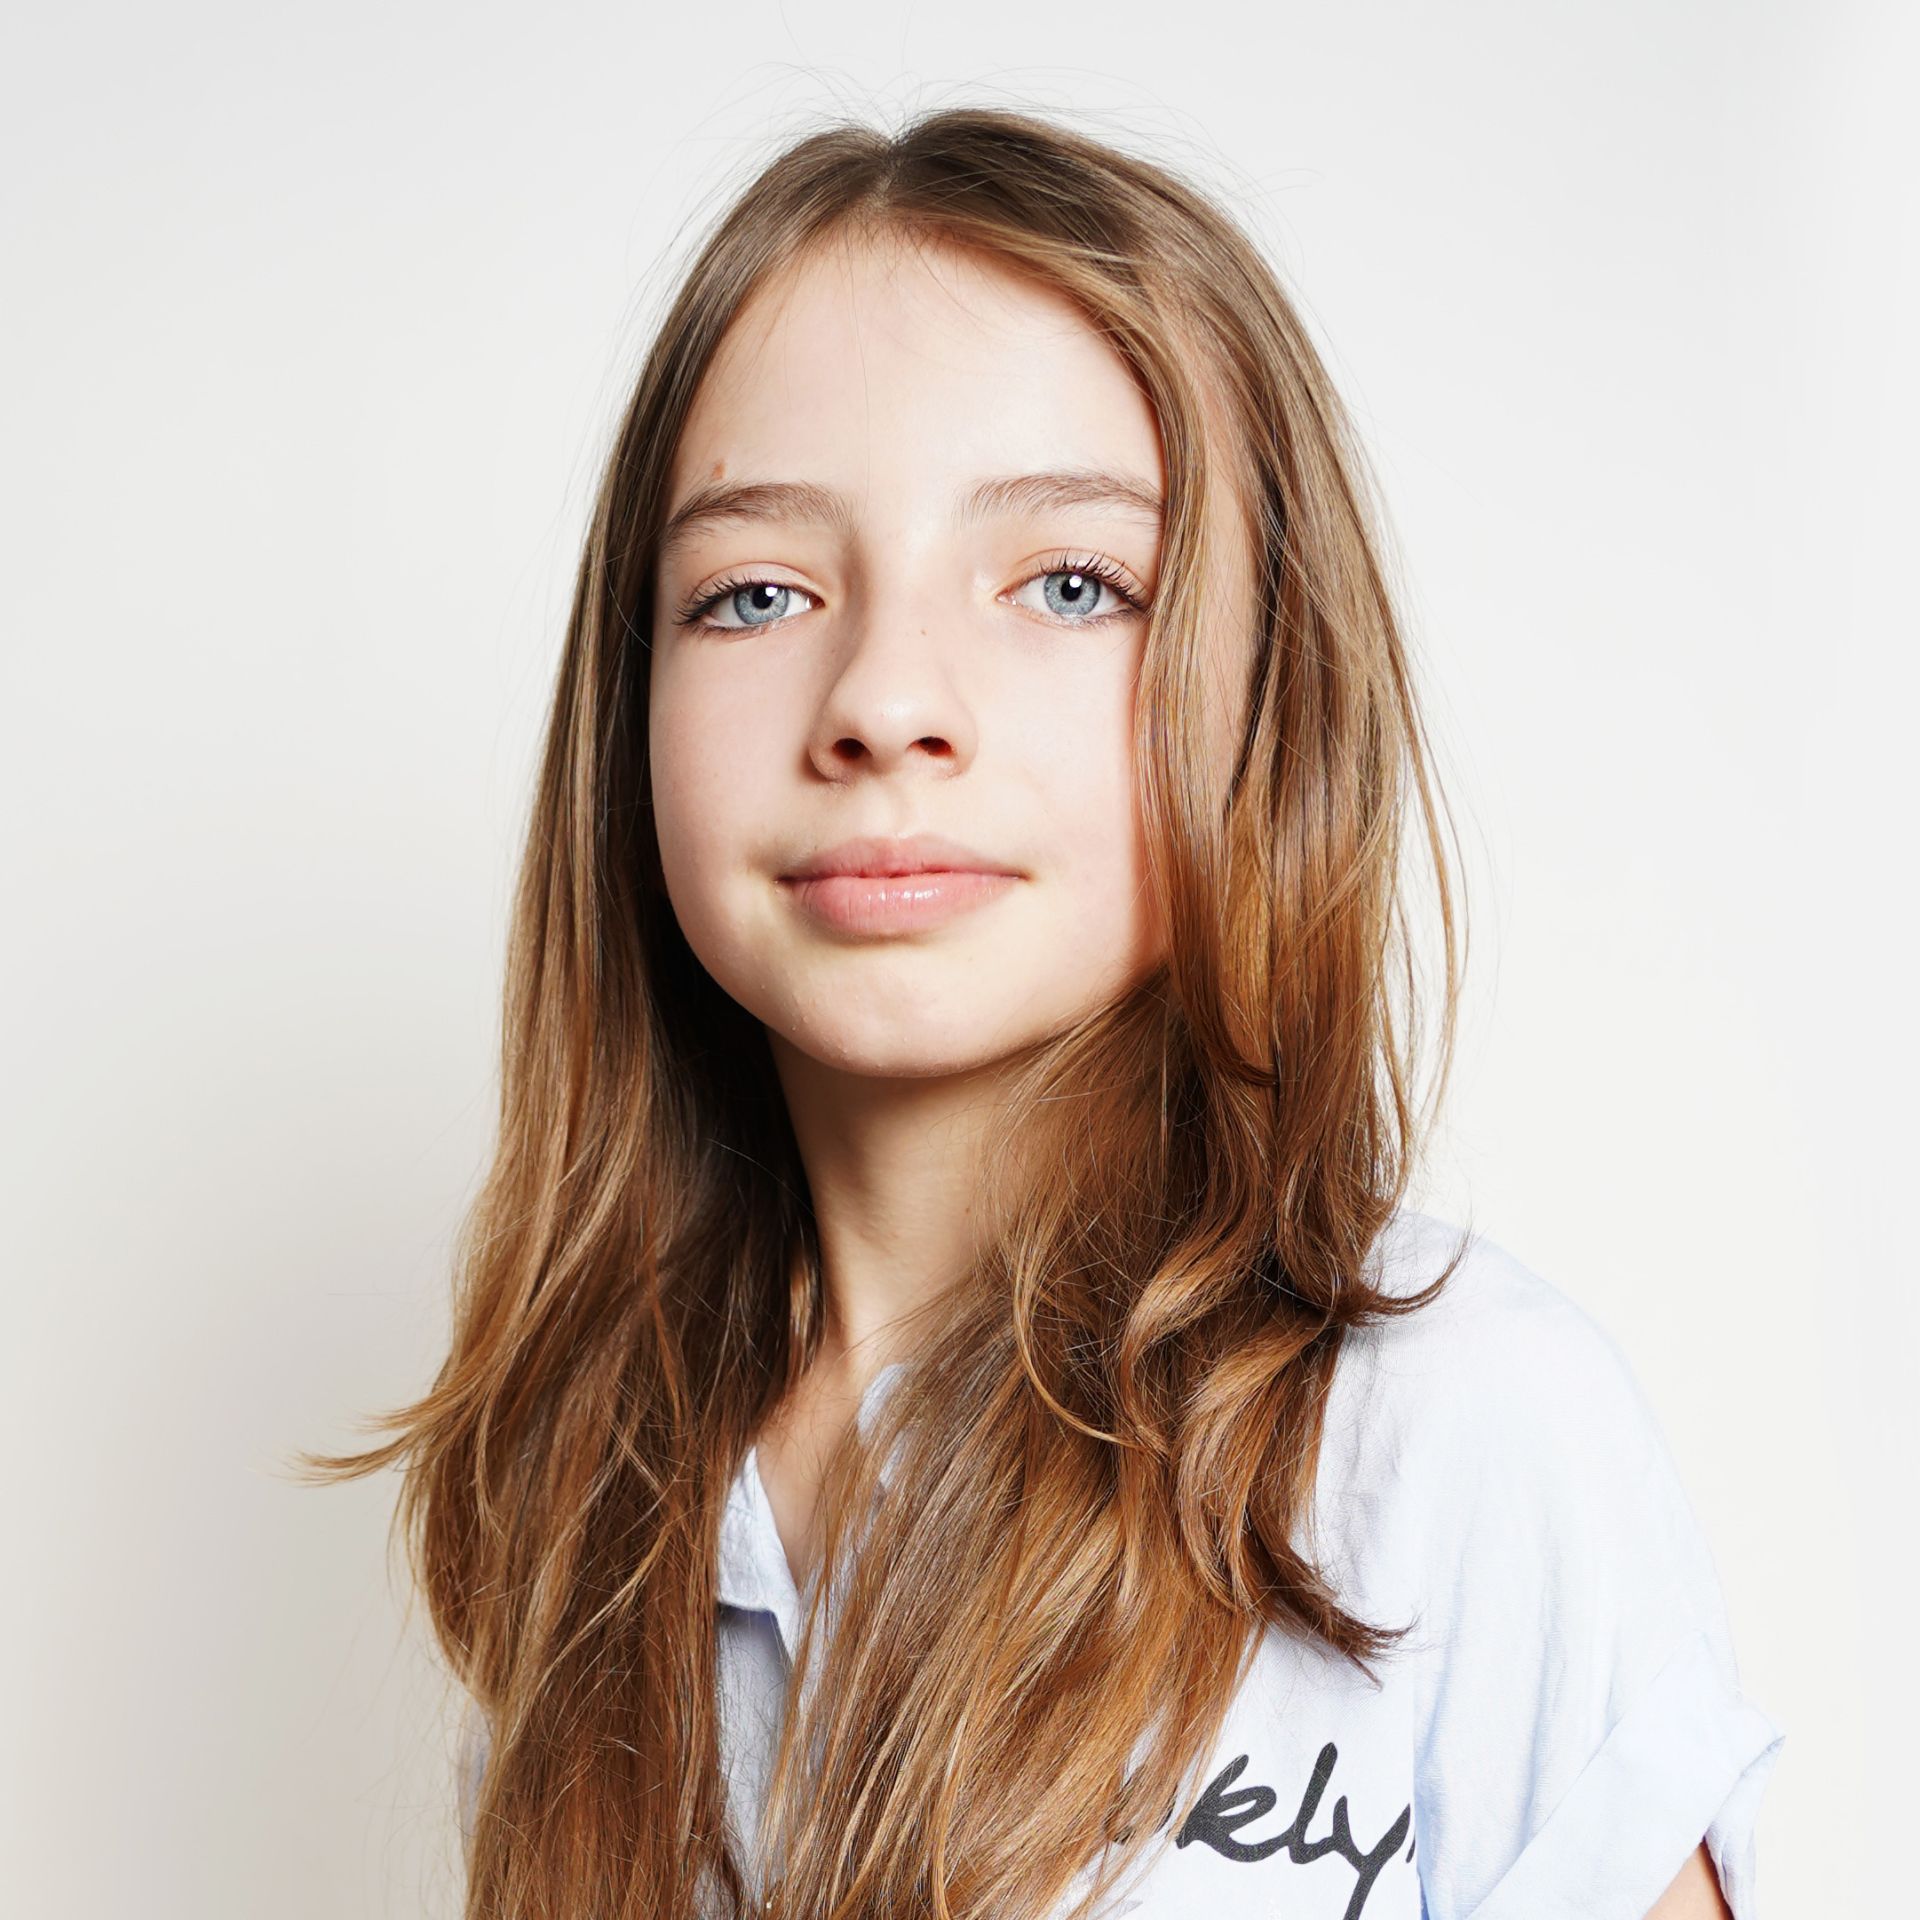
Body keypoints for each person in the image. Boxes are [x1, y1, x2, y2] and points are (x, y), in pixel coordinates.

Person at [300, 105, 1783, 1920]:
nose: (884, 700)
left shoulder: (1455, 1430)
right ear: (631, 717)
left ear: (1267, 698)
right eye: (755, 593)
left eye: (1071, 585)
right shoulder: (601, 1520)